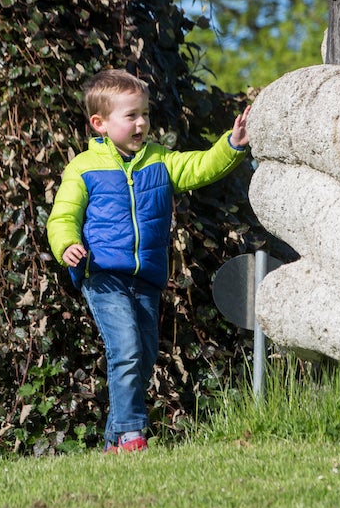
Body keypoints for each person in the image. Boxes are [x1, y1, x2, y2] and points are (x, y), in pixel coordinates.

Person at [47, 69, 250, 453]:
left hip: (146, 278)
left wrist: (232, 145)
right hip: (103, 276)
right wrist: (67, 244)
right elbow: (62, 216)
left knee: (142, 355)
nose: (141, 123)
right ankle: (131, 434)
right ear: (100, 123)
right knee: (125, 349)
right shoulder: (83, 168)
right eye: (131, 115)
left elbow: (199, 167)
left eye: (145, 114)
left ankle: (113, 441)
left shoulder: (158, 161)